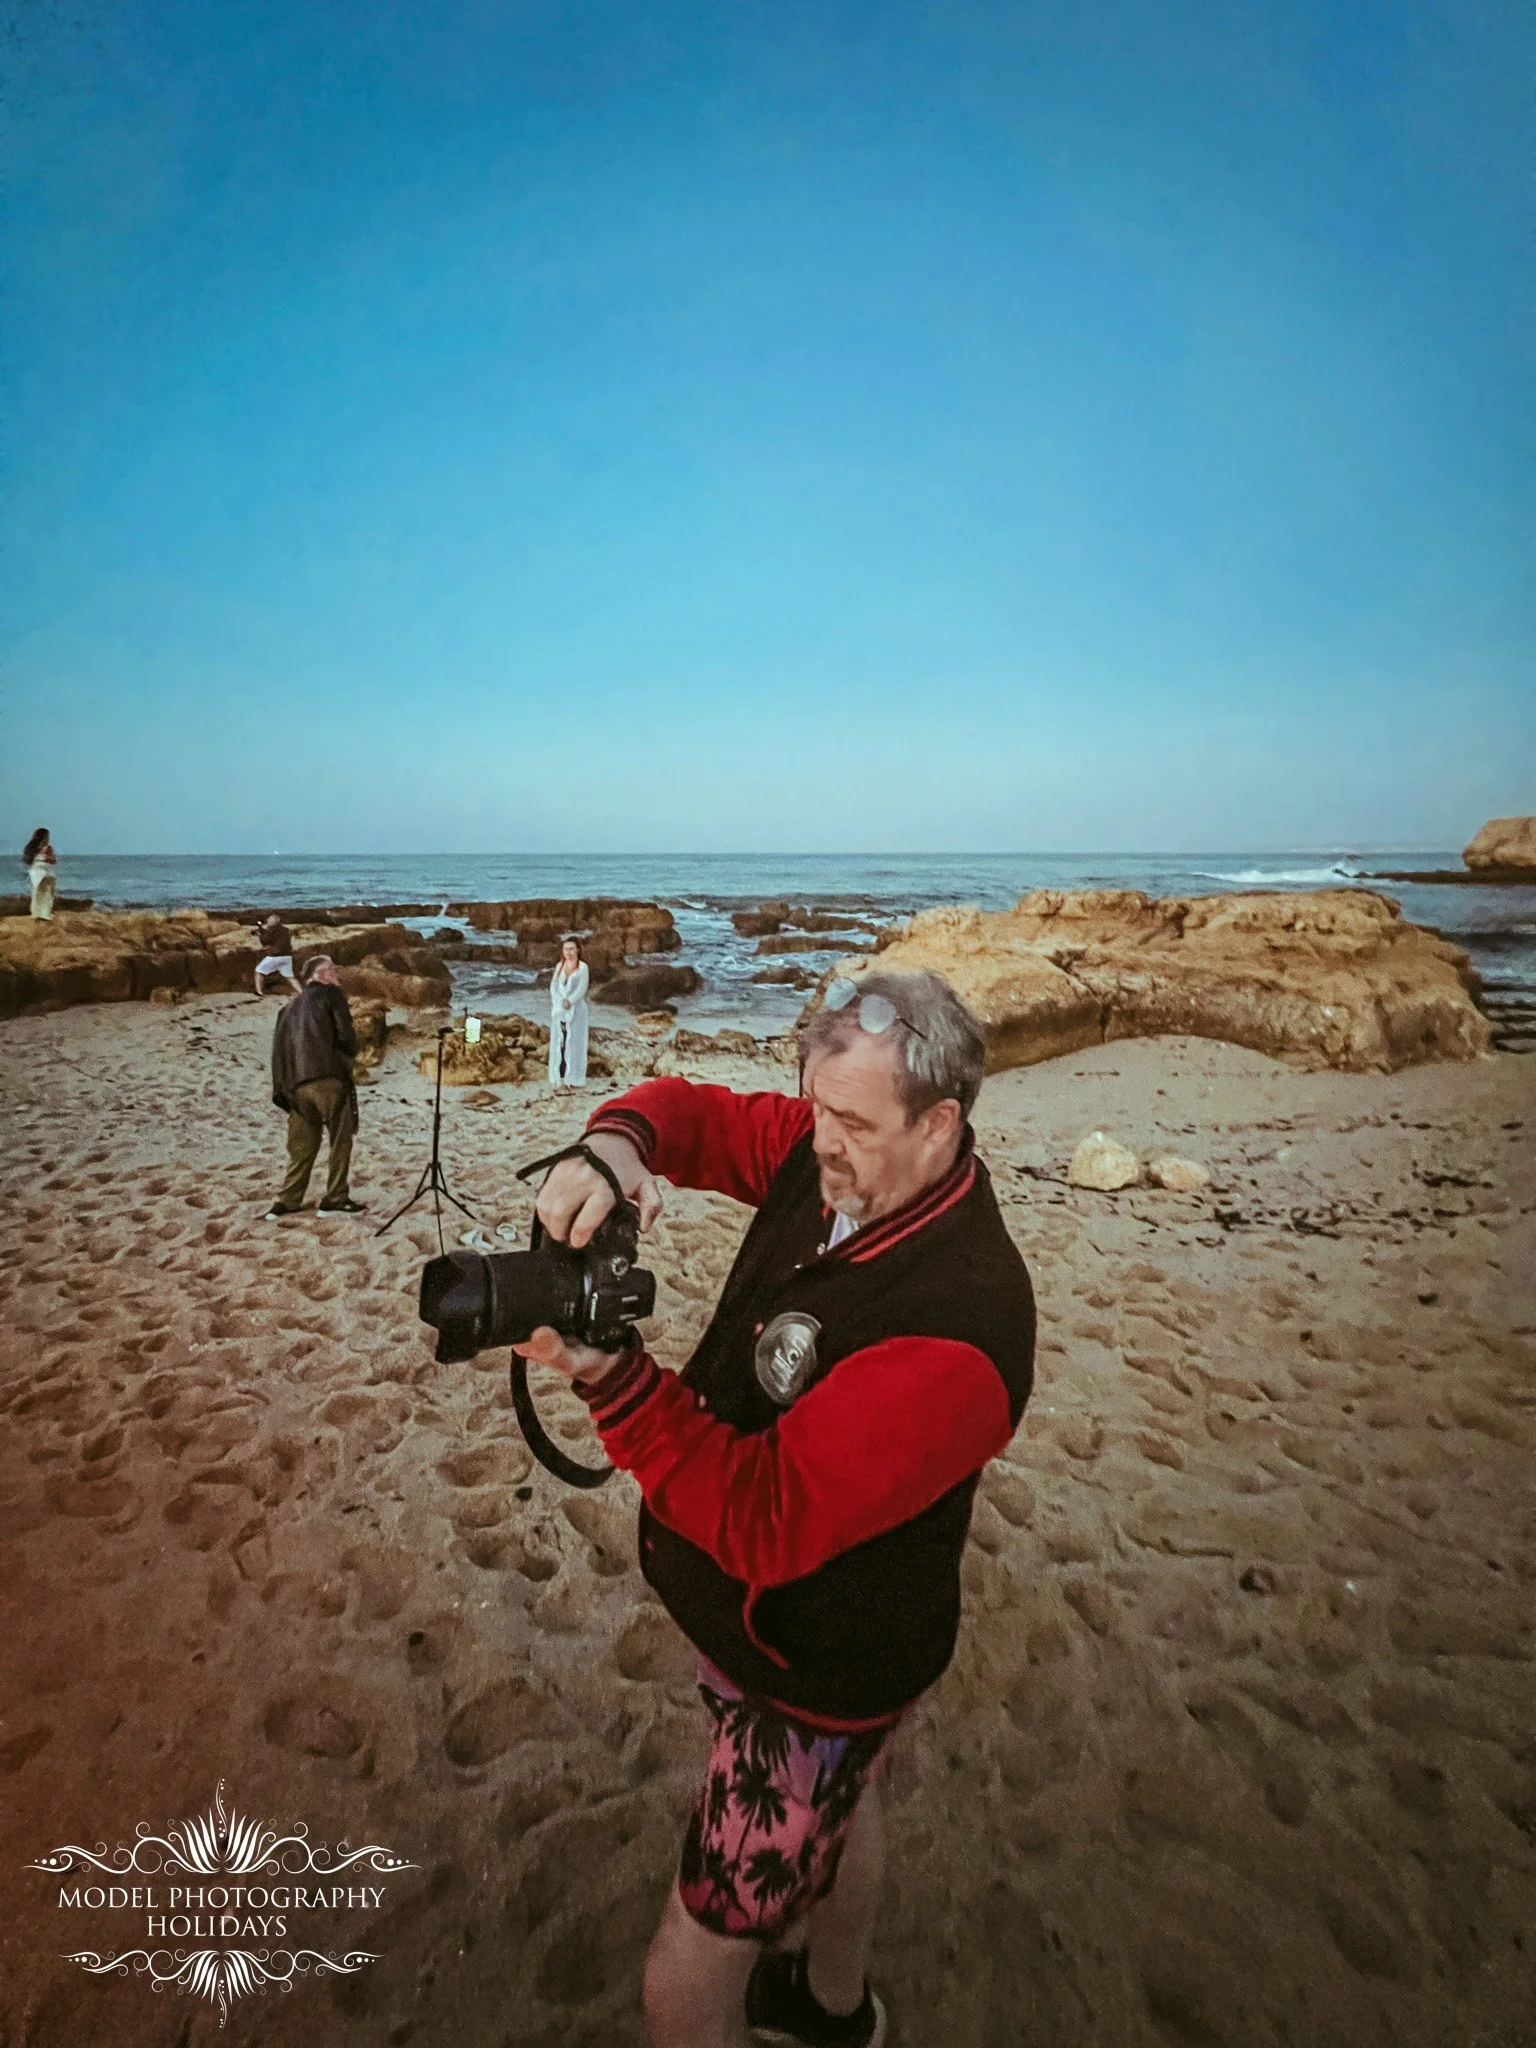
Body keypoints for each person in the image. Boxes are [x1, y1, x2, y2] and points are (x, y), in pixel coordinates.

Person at [514, 970, 1035, 2048]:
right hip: (790, 1638)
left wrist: (611, 1380)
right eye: (813, 1107)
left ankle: (811, 2002)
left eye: (850, 1119)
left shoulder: (965, 1322)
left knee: (680, 1987)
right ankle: (835, 2007)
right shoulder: (834, 1164)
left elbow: (765, 1516)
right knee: (857, 1803)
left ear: (941, 1122)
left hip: (817, 1674)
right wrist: (614, 1148)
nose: (819, 1141)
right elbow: (692, 1114)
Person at [267, 955, 365, 1218]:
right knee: (340, 1140)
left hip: (295, 1086)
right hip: (328, 1077)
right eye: (333, 969)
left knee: (302, 1146)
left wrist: (282, 1092)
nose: (338, 975)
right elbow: (346, 1036)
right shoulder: (331, 996)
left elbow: (278, 1052)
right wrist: (347, 1060)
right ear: (320, 975)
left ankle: (287, 1201)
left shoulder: (287, 1009)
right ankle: (335, 1198)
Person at [548, 933, 590, 1088]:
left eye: (572, 949)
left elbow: (582, 988)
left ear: (578, 950)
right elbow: (553, 986)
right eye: (566, 949)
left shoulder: (583, 967)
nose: (569, 952)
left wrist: (570, 1001)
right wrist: (558, 1002)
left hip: (577, 1010)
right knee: (559, 1042)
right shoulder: (560, 966)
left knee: (576, 1043)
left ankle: (574, 1078)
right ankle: (558, 1077)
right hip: (559, 1010)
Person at [254, 914, 302, 996]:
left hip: (275, 956)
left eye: (269, 920)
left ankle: (259, 991)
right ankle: (302, 992)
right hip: (287, 956)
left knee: (259, 971)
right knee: (290, 977)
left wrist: (260, 935)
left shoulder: (271, 930)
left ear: (272, 921)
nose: (267, 922)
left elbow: (265, 941)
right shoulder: (285, 930)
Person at [21, 829, 56, 919]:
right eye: (48, 836)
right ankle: (45, 913)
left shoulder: (31, 849)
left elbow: (29, 862)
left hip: (35, 874)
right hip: (45, 873)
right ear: (44, 837)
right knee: (47, 893)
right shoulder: (47, 848)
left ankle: (36, 913)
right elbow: (53, 860)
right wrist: (51, 858)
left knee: (36, 893)